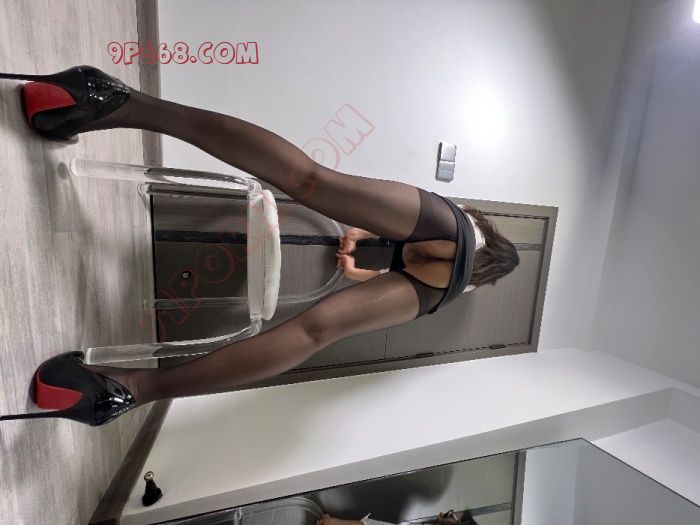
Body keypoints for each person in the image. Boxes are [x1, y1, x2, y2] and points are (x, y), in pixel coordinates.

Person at [0, 66, 519, 426]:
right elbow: (398, 268)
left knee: (311, 179)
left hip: (446, 223)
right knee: (314, 332)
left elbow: (398, 235)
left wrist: (368, 235)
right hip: (436, 287)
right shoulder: (464, 285)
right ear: (488, 274)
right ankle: (129, 391)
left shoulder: (470, 225)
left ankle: (114, 99)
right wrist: (364, 251)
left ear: (492, 234)